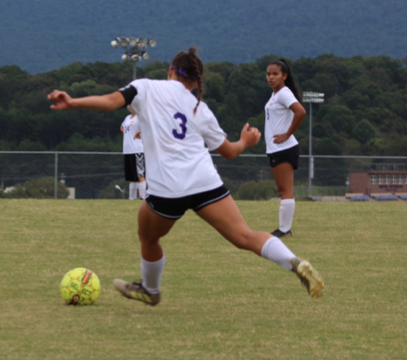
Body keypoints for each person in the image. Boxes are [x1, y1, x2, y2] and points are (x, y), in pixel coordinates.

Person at [48, 47, 323, 306]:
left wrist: (72, 102)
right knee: (245, 236)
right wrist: (247, 141)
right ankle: (294, 262)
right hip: (205, 181)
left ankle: (151, 290)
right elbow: (229, 151)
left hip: (168, 188)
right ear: (194, 82)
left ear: (171, 70)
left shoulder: (145, 87)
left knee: (149, 238)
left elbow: (110, 102)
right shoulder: (199, 108)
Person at [264, 59, 306, 238]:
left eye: (275, 74)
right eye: (268, 74)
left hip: (284, 148)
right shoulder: (275, 95)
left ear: (284, 76)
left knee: (285, 191)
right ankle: (284, 228)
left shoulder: (283, 93)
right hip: (276, 149)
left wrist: (287, 134)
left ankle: (284, 229)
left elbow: (301, 111)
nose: (271, 77)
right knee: (283, 190)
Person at [120, 106, 147, 199]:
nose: (129, 107)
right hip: (128, 150)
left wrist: (139, 133)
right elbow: (122, 127)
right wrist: (128, 134)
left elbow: (147, 127)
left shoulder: (139, 116)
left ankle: (143, 196)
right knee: (132, 176)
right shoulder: (127, 118)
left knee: (140, 174)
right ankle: (132, 198)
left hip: (137, 149)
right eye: (128, 105)